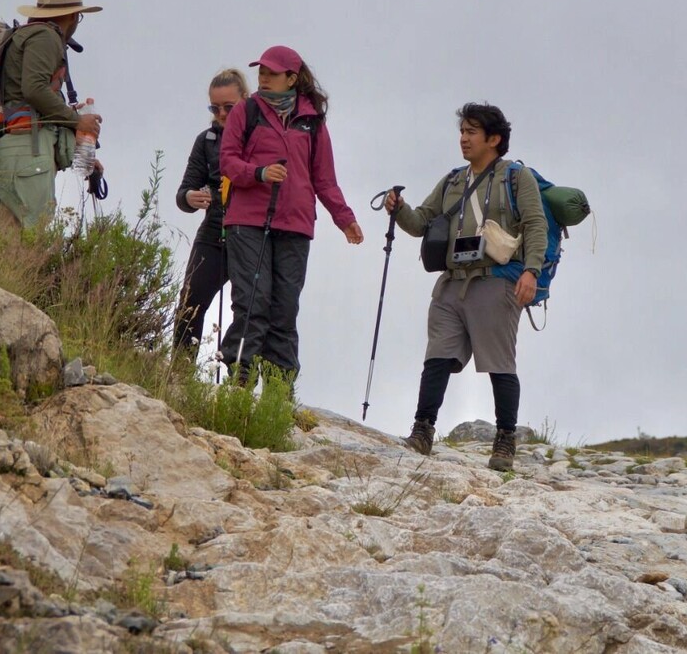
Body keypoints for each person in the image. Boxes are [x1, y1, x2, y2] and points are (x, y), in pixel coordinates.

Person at [382, 103, 547, 472]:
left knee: (499, 363)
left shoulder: (516, 178)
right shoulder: (453, 180)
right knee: (437, 356)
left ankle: (505, 440)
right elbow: (421, 222)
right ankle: (422, 431)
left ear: (494, 139)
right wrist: (399, 208)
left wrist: (531, 271)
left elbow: (535, 225)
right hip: (451, 284)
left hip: (494, 281)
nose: (463, 138)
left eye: (472, 132)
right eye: (462, 131)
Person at [217, 45, 363, 380]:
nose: (264, 78)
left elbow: (324, 179)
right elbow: (228, 161)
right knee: (253, 304)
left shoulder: (313, 122)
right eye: (261, 72)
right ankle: (238, 387)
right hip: (247, 221)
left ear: (292, 78)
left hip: (295, 225)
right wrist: (259, 173)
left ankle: (278, 399)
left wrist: (345, 219)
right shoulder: (246, 111)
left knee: (284, 311)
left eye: (272, 73)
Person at [0, 0, 103, 228]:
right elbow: (34, 89)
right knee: (19, 249)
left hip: (15, 152)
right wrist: (77, 120)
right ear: (72, 16)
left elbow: (32, 98)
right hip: (28, 158)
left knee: (5, 245)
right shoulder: (46, 37)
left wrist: (79, 145)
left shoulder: (27, 35)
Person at [173, 68, 250, 359]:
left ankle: (239, 383)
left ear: (245, 100)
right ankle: (179, 375)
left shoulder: (259, 137)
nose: (221, 113)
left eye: (228, 107)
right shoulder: (205, 141)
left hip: (250, 234)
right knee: (190, 303)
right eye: (214, 107)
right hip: (213, 230)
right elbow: (183, 194)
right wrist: (190, 198)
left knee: (247, 311)